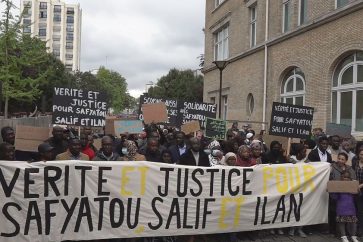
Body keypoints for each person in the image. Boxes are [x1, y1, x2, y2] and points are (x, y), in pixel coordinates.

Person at [330, 171, 360, 242]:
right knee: (341, 223)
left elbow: (356, 196)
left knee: (353, 222)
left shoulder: (352, 186)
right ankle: (343, 236)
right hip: (341, 207)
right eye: (344, 177)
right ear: (341, 177)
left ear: (350, 178)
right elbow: (335, 197)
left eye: (347, 177)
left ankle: (353, 236)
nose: (345, 178)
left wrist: (358, 191)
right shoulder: (338, 186)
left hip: (351, 207)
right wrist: (331, 191)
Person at [288, 143, 308, 238]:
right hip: (293, 187)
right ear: (299, 152)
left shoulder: (306, 161)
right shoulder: (291, 160)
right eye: (304, 151)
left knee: (303, 208)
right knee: (293, 208)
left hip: (304, 187)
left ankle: (300, 229)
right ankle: (291, 228)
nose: (306, 153)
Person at [354, 149, 363, 236]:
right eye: (361, 154)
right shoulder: (355, 163)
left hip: (361, 188)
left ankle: (360, 229)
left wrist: (360, 185)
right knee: (357, 210)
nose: (362, 156)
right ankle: (356, 229)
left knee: (361, 210)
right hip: (355, 189)